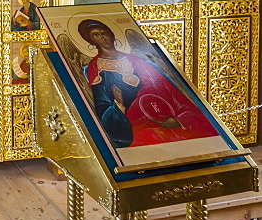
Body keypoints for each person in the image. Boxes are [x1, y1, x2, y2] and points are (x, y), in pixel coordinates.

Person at [77, 18, 217, 150]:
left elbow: (168, 91)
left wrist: (179, 120)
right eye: (96, 35)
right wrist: (118, 104)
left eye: (104, 33)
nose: (102, 37)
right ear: (91, 41)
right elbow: (101, 105)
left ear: (112, 35)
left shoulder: (138, 60)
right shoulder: (95, 68)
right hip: (132, 125)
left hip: (162, 113)